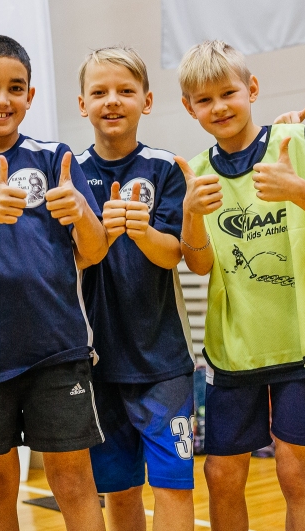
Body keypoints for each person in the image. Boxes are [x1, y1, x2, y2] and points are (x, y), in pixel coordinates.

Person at [175, 40, 305, 531]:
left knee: (295, 469)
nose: (218, 106)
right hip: (235, 344)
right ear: (188, 107)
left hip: (304, 340)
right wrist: (190, 217)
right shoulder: (194, 174)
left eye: (228, 92)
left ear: (252, 88)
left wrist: (299, 189)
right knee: (220, 473)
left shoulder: (295, 143)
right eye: (204, 99)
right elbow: (197, 266)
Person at [0, 34, 109, 531]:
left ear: (31, 96)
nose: (2, 100)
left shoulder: (55, 156)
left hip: (57, 351)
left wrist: (80, 214)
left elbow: (93, 252)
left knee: (75, 485)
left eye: (16, 88)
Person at [75, 47, 195, 531]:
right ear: (82, 104)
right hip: (97, 360)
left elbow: (173, 254)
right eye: (99, 92)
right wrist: (96, 233)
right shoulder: (68, 170)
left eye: (125, 91)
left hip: (162, 359)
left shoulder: (165, 168)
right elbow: (72, 259)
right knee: (119, 488)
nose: (112, 101)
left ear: (146, 101)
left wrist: (141, 230)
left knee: (173, 484)